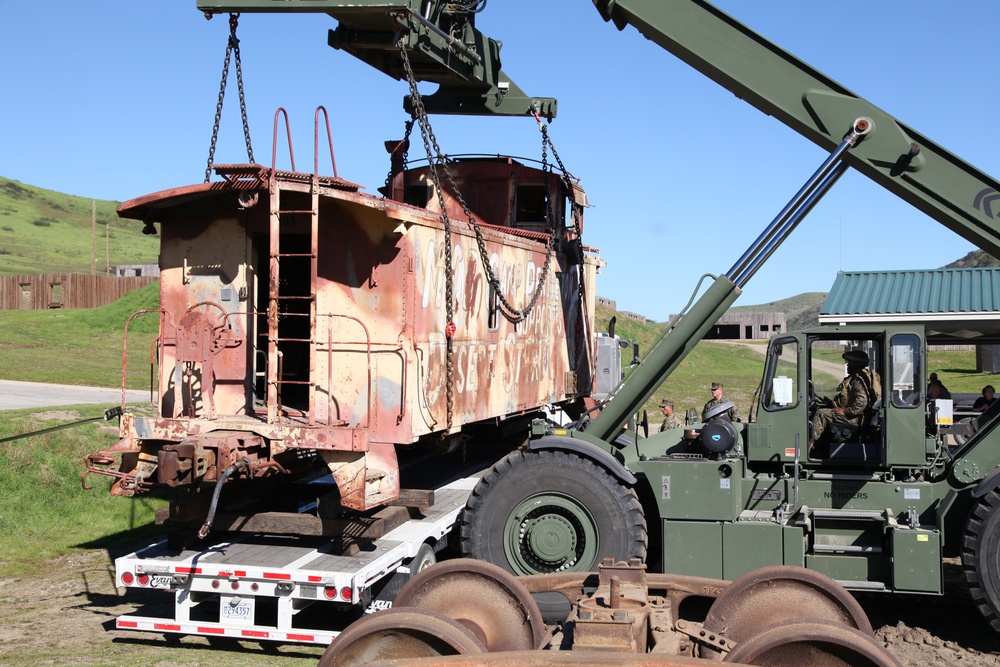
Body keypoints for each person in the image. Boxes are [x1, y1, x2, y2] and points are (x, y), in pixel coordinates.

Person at [810, 349, 881, 455]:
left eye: (849, 363)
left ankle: (810, 446)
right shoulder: (858, 376)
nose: (847, 366)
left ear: (855, 364)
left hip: (855, 418)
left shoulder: (858, 379)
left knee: (821, 413)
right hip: (856, 416)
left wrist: (846, 412)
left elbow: (862, 401)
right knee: (823, 409)